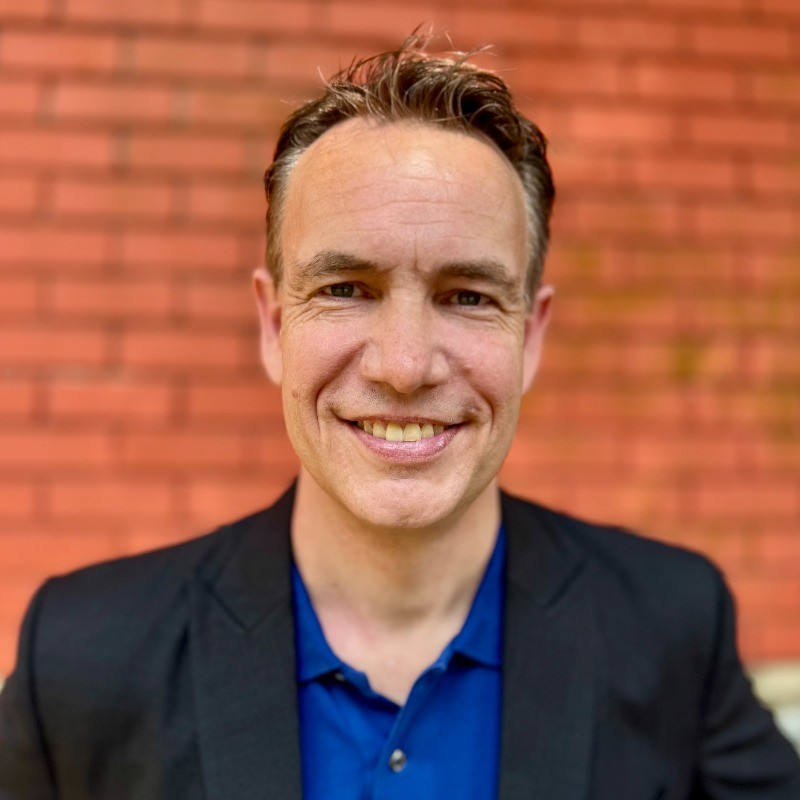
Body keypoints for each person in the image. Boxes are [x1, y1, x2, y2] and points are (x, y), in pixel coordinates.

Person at [1, 37, 798, 800]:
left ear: (531, 335)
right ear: (274, 324)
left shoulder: (671, 626)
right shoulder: (81, 659)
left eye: (467, 297)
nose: (405, 366)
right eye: (346, 288)